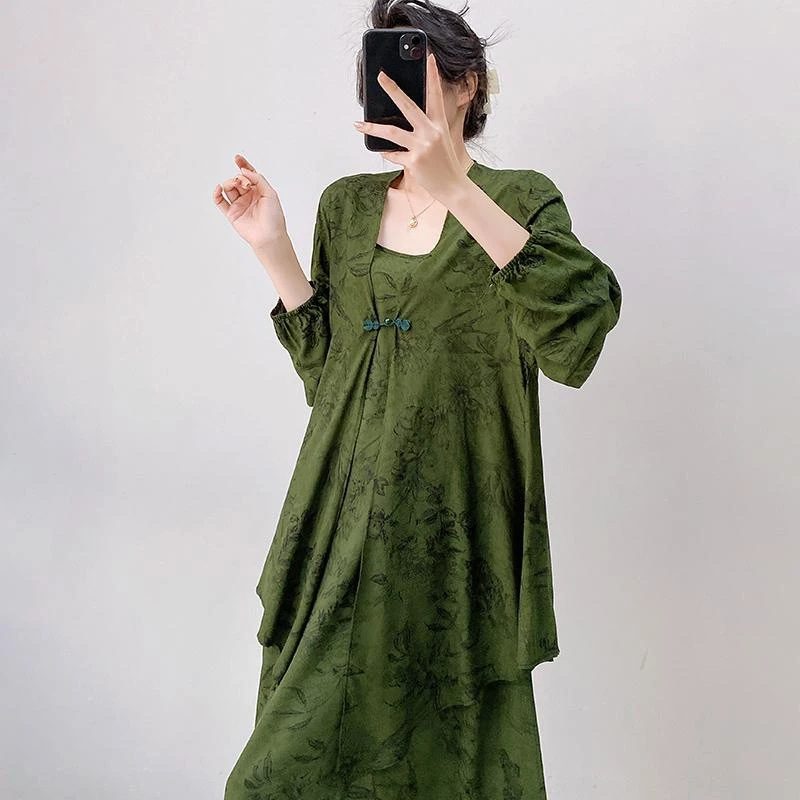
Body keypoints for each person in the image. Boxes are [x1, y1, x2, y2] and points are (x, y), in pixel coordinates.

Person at [213, 1, 622, 797]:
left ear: (468, 86)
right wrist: (272, 247)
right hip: (335, 527)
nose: (391, 89)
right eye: (378, 72)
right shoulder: (345, 205)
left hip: (457, 532)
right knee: (277, 777)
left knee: (450, 763)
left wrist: (455, 188)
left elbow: (575, 332)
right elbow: (331, 377)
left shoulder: (520, 200)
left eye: (414, 68)